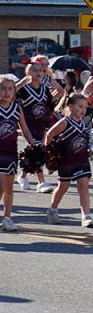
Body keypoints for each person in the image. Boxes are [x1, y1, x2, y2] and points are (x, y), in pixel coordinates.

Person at [43, 93, 93, 228]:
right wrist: (50, 155)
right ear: (70, 106)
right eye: (80, 106)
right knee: (63, 187)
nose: (83, 110)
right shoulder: (65, 122)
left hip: (82, 160)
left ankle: (86, 216)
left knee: (83, 185)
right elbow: (49, 135)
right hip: (67, 161)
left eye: (85, 107)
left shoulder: (83, 123)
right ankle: (52, 209)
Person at [17, 61, 64, 192]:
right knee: (37, 148)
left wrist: (47, 124)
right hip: (28, 124)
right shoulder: (23, 90)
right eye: (34, 70)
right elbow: (8, 95)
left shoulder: (45, 89)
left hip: (41, 123)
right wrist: (21, 82)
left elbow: (48, 106)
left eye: (40, 70)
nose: (38, 73)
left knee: (36, 150)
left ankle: (22, 176)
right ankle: (41, 182)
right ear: (27, 73)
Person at [0, 75, 34, 231]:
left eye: (9, 89)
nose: (6, 92)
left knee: (8, 188)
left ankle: (7, 218)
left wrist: (33, 144)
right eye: (2, 89)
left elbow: (25, 129)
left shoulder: (16, 108)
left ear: (14, 91)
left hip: (10, 153)